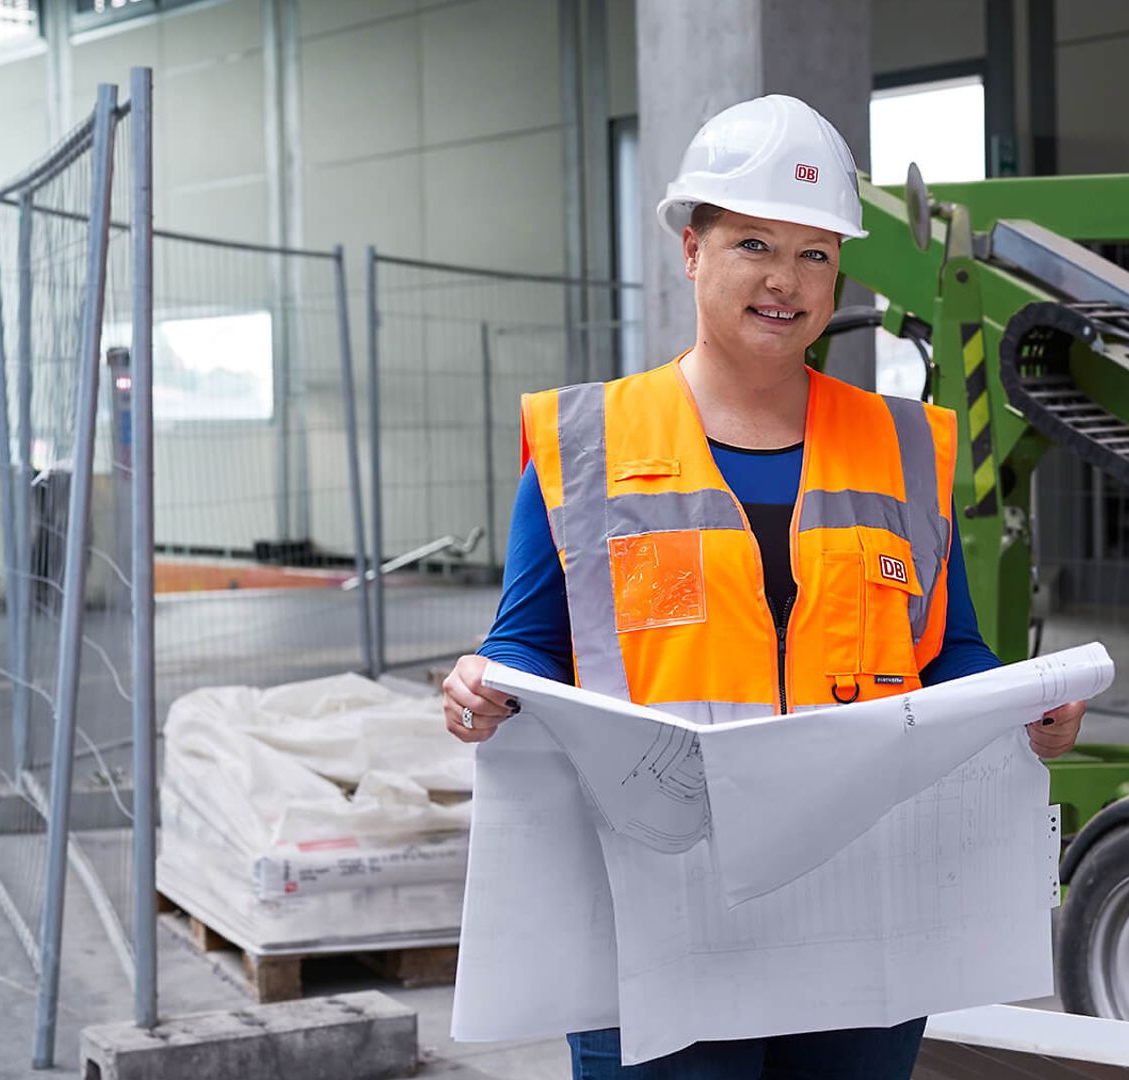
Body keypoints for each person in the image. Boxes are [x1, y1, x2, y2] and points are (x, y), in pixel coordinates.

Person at [440, 94, 1087, 1080]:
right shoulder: (587, 451)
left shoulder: (903, 450)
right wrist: (486, 686)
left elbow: (945, 649)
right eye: (753, 243)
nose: (786, 281)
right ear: (691, 249)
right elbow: (530, 647)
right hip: (657, 916)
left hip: (858, 912)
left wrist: (1022, 709)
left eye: (816, 253)